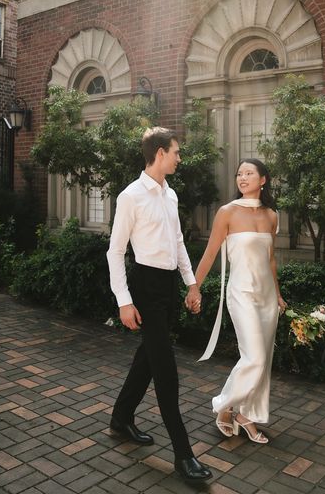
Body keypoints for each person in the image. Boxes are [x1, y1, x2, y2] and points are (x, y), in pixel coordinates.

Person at [106, 126, 212, 482]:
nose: (180, 158)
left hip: (167, 286)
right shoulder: (130, 196)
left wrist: (191, 282)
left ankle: (121, 418)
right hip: (145, 285)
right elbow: (116, 252)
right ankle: (184, 456)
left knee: (148, 357)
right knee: (165, 370)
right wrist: (124, 302)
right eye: (176, 152)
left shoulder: (171, 195)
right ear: (161, 153)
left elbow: (179, 241)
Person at [186, 158, 287, 444]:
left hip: (267, 296)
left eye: (249, 173)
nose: (242, 177)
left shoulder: (271, 215)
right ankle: (225, 406)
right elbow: (209, 253)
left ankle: (246, 415)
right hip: (241, 293)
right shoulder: (227, 212)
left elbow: (270, 259)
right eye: (239, 173)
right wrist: (195, 288)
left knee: (261, 360)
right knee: (253, 357)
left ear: (263, 180)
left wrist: (277, 293)